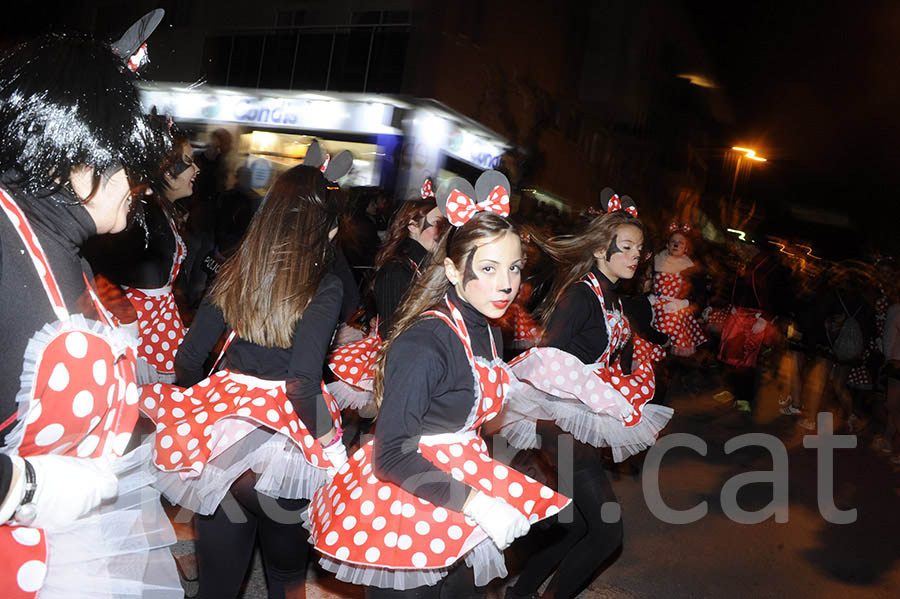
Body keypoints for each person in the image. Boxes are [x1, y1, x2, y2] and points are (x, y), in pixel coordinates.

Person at [305, 171, 570, 598]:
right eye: (488, 268)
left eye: (514, 268)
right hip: (408, 498)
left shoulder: (489, 328)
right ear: (451, 269)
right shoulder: (425, 340)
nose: (506, 283)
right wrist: (478, 503)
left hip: (461, 481)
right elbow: (391, 455)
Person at [0, 16, 181, 598]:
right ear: (77, 161)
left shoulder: (63, 243)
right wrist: (19, 485)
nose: (140, 186)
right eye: (129, 164)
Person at [140, 164, 353, 599]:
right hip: (287, 447)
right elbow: (301, 385)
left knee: (218, 587)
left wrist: (200, 408)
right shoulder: (323, 284)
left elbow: (189, 358)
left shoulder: (236, 269)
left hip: (225, 444)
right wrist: (333, 447)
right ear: (325, 227)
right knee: (286, 580)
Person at [499, 190, 672, 599]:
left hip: (580, 421)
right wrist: (592, 388)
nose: (636, 256)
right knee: (607, 531)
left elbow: (613, 357)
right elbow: (549, 360)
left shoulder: (612, 295)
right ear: (599, 249)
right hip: (562, 422)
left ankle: (519, 594)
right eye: (626, 247)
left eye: (640, 249)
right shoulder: (580, 294)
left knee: (575, 526)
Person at [85, 124, 198, 383]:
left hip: (155, 324)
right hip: (140, 330)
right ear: (167, 170)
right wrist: (127, 319)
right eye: (189, 162)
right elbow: (94, 263)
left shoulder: (159, 209)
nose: (196, 170)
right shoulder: (141, 212)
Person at [327, 180, 445, 412]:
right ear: (412, 225)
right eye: (437, 225)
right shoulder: (397, 269)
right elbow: (393, 333)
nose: (442, 234)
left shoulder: (423, 266)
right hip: (397, 368)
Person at [650, 221, 707, 357]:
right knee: (652, 349)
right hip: (654, 312)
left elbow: (700, 297)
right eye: (673, 241)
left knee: (672, 356)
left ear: (686, 247)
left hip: (678, 317)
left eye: (680, 242)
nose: (676, 244)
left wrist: (684, 303)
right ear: (667, 245)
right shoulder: (654, 262)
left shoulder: (691, 269)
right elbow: (640, 285)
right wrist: (648, 297)